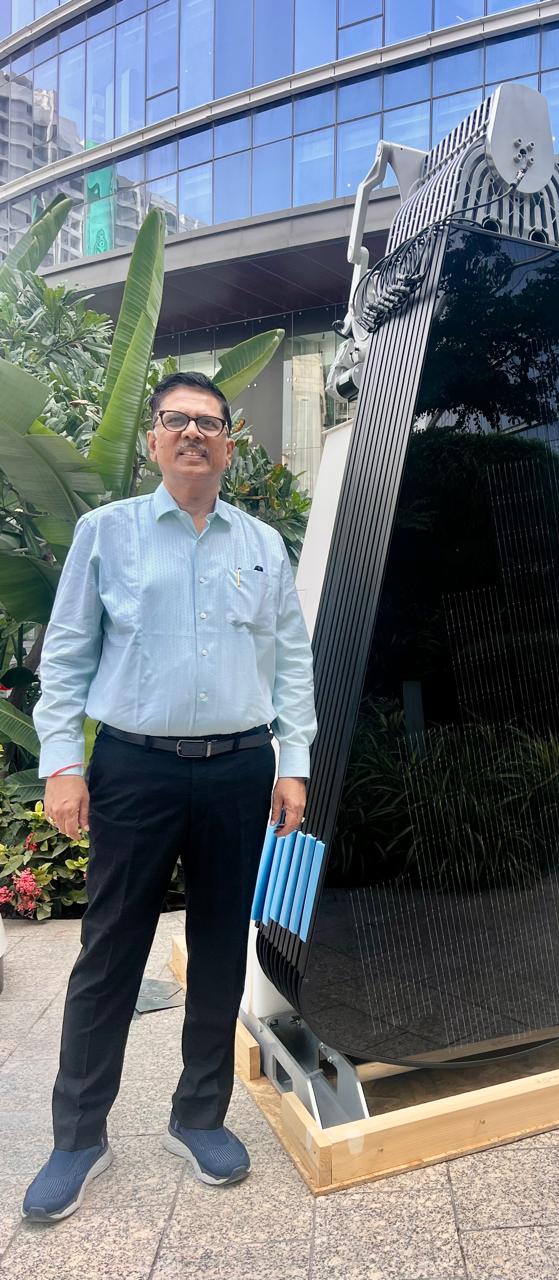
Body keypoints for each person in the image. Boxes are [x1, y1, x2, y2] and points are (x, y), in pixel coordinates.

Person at [22, 371, 316, 1221]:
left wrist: (293, 762)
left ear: (229, 445)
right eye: (177, 420)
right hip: (135, 768)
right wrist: (62, 764)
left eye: (209, 423)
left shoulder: (261, 544)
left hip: (239, 768)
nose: (193, 434)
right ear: (153, 438)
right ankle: (80, 1137)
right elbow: (67, 654)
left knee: (222, 946)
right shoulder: (106, 533)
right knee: (110, 947)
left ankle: (199, 1118)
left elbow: (291, 661)